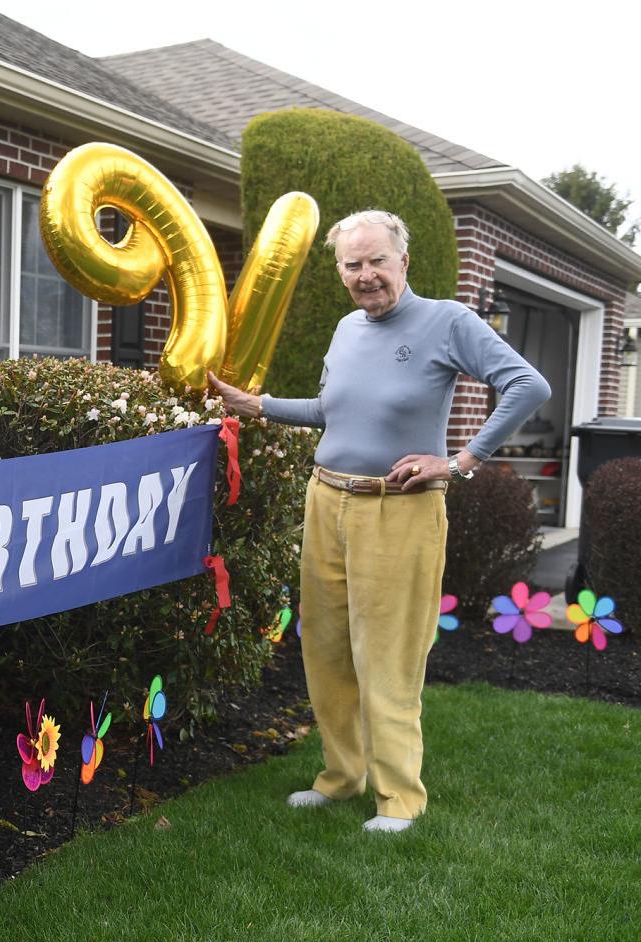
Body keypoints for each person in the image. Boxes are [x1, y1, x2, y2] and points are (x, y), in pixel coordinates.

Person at [207, 209, 550, 833]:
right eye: (352, 265)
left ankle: (399, 798)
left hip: (399, 512)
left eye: (376, 261)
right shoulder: (345, 328)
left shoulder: (448, 321)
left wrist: (461, 461)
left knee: (387, 655)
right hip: (326, 502)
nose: (366, 275)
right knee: (327, 649)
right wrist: (255, 405)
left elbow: (527, 385)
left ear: (403, 261)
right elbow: (330, 410)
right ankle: (342, 777)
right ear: (341, 271)